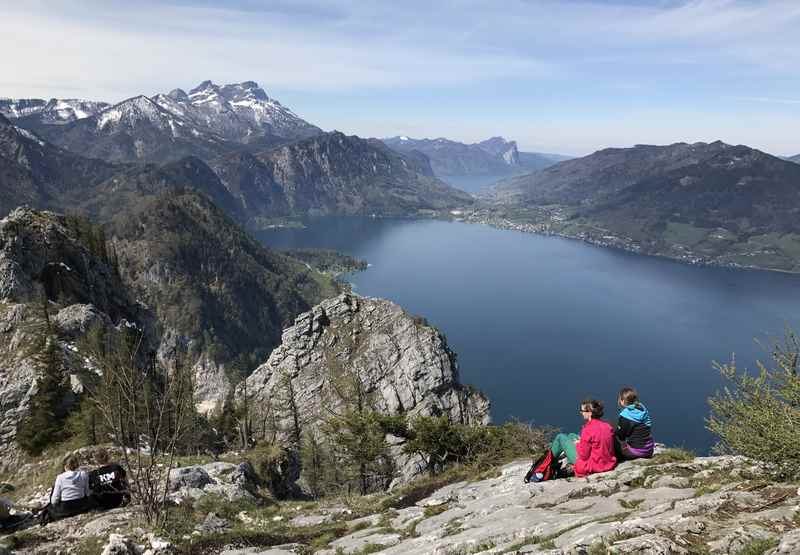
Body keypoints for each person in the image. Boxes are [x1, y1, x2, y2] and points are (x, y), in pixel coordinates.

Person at [550, 398, 617, 478]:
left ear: (590, 413)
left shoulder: (587, 429)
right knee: (572, 435)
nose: (581, 413)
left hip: (593, 466)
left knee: (560, 437)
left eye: (582, 411)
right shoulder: (607, 426)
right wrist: (580, 442)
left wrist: (578, 444)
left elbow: (583, 455)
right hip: (607, 463)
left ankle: (547, 465)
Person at [47, 454, 92, 521]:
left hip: (66, 508)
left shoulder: (60, 477)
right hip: (82, 506)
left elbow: (54, 500)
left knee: (49, 508)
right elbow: (87, 493)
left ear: (65, 466)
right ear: (77, 465)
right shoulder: (83, 474)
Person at [615, 387, 655, 460]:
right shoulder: (642, 409)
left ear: (622, 401)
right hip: (649, 450)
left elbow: (621, 436)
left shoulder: (625, 416)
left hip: (636, 452)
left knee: (613, 441)